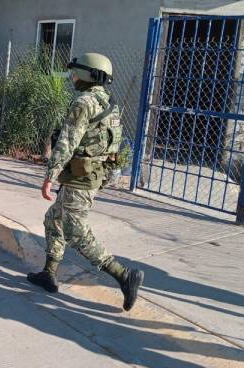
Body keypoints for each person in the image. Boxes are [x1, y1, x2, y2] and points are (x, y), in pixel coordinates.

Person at [27, 52, 145, 311]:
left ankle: (124, 275)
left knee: (75, 231)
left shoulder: (84, 102)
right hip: (91, 174)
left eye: (76, 72)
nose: (73, 77)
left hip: (80, 178)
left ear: (91, 74)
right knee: (53, 220)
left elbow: (67, 142)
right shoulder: (108, 101)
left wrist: (50, 176)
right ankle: (49, 273)